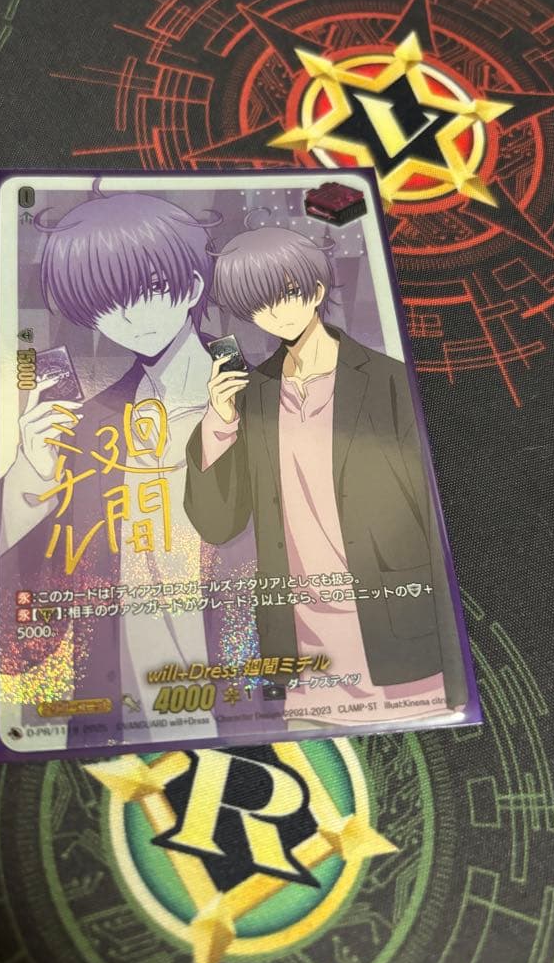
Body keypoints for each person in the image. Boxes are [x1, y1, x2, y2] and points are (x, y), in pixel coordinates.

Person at [183, 225, 468, 725]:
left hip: (398, 641)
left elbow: (434, 522)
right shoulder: (254, 396)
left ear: (317, 289)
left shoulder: (390, 381)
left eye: (287, 292)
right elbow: (219, 524)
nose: (275, 313)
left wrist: (458, 672)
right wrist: (220, 420)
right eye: (256, 304)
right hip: (305, 656)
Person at [0, 189, 232, 742]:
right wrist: (34, 469)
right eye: (105, 304)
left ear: (191, 285)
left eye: (147, 289)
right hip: (130, 663)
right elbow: (35, 554)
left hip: (239, 647)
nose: (128, 317)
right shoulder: (94, 419)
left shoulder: (260, 394)